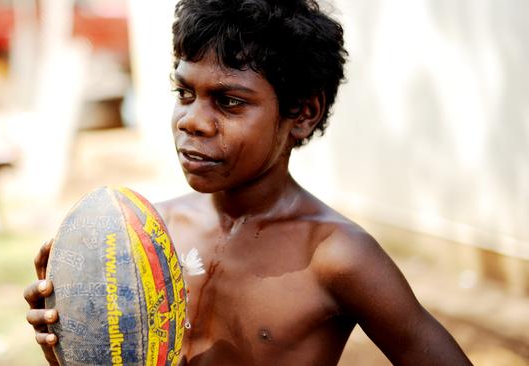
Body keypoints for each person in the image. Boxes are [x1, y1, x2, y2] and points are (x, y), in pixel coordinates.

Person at [24, 0, 473, 365]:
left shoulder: (335, 256)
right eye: (185, 93)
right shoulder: (154, 235)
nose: (193, 121)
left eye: (229, 101)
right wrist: (70, 345)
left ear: (303, 113)